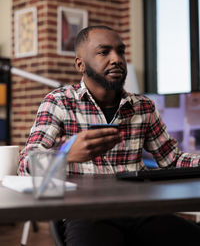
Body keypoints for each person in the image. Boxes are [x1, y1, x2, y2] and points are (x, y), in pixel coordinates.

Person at [18, 25, 200, 245]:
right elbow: (25, 164)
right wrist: (65, 154)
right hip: (86, 213)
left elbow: (171, 159)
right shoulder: (58, 102)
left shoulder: (143, 106)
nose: (116, 59)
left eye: (120, 51)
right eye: (104, 52)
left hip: (141, 209)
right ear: (80, 64)